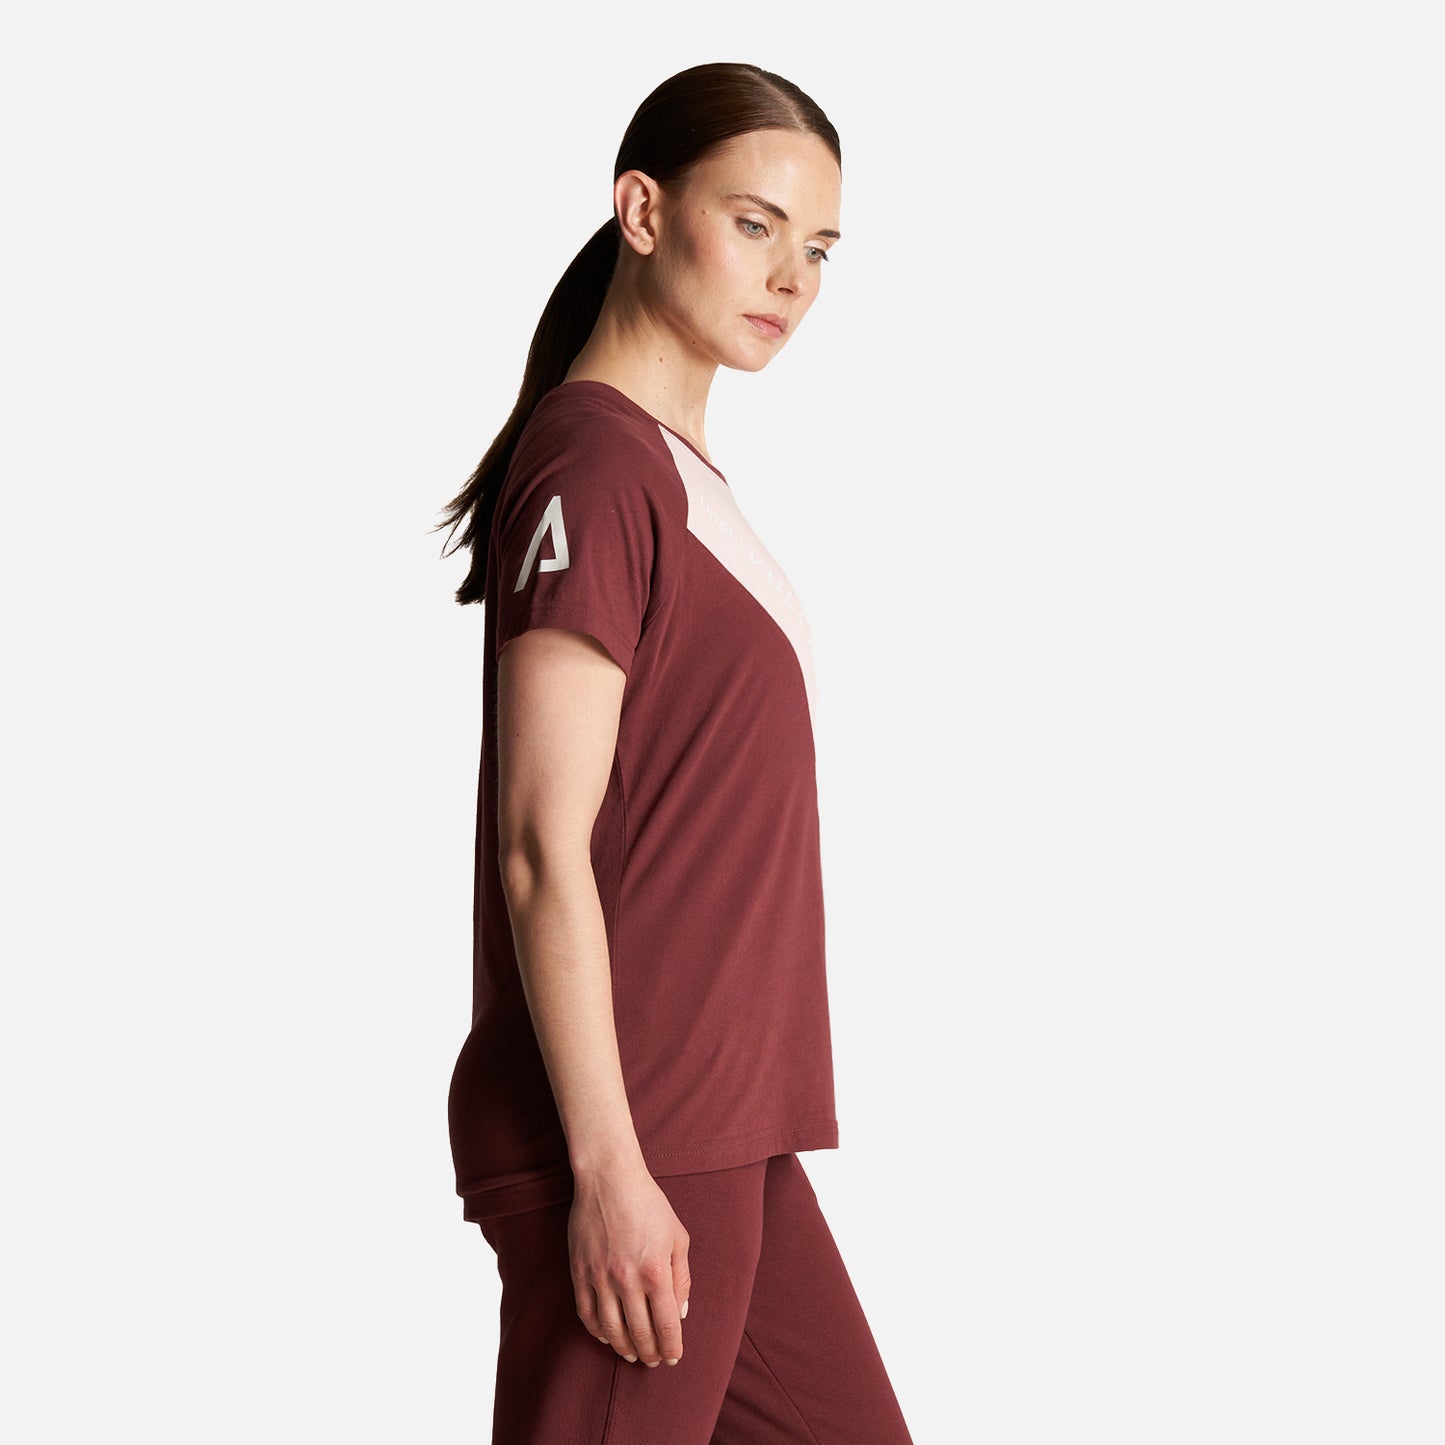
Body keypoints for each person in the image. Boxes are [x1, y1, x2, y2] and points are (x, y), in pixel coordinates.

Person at [436, 61, 914, 1444]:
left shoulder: (673, 472)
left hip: (723, 1125)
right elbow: (541, 846)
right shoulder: (595, 466)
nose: (791, 278)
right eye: (755, 224)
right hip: (634, 1126)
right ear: (642, 212)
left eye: (818, 247)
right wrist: (608, 1168)